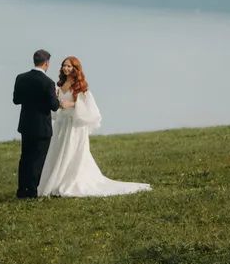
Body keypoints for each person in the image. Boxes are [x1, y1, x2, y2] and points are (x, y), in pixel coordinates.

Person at [38, 56, 151, 198]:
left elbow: (87, 107)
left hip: (74, 126)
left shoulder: (80, 86)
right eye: (64, 66)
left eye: (69, 66)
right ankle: (58, 181)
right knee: (59, 151)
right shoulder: (59, 85)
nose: (66, 68)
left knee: (72, 153)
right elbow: (56, 105)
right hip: (62, 125)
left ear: (75, 69)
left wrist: (71, 105)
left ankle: (72, 181)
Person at [12, 48, 63, 199]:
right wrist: (57, 97)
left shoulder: (20, 78)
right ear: (46, 63)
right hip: (42, 127)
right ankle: (32, 192)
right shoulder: (48, 83)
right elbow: (54, 106)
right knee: (38, 159)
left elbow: (16, 100)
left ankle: (21, 191)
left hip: (26, 125)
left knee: (25, 158)